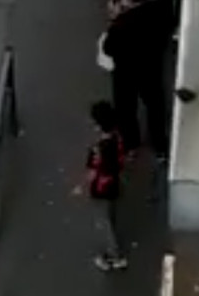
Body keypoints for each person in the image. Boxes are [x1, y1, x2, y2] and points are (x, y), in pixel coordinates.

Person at [102, 0, 172, 161]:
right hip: (151, 69)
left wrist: (114, 19)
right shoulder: (159, 10)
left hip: (126, 73)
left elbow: (108, 48)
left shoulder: (122, 25)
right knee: (155, 106)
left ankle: (131, 144)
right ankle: (159, 145)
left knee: (126, 108)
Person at [84, 100, 128, 272]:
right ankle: (114, 252)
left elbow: (94, 169)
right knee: (111, 215)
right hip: (114, 184)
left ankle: (114, 255)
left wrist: (82, 186)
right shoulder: (117, 137)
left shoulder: (100, 148)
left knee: (104, 222)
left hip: (102, 188)